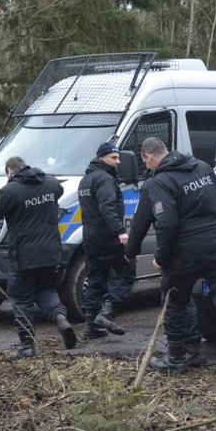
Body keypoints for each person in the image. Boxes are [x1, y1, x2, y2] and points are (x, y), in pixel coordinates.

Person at [125, 137, 216, 377]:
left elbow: (160, 224)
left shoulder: (158, 182)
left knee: (175, 301)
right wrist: (210, 229)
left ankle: (177, 357)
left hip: (184, 255)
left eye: (146, 163)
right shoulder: (202, 167)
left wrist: (143, 255)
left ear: (148, 157)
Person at [0, 156, 76, 358]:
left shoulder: (11, 191)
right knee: (46, 290)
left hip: (24, 256)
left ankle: (27, 346)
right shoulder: (51, 183)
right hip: (52, 253)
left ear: (10, 171)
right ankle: (61, 318)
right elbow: (59, 192)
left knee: (21, 298)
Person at [77, 142, 135, 339]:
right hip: (108, 236)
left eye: (118, 158)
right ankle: (107, 313)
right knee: (126, 274)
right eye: (113, 158)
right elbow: (107, 206)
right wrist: (119, 231)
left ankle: (89, 326)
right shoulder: (105, 179)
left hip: (90, 237)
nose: (118, 162)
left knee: (96, 279)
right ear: (102, 157)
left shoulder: (86, 179)